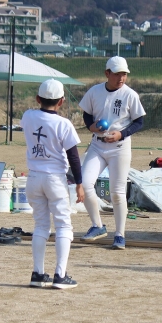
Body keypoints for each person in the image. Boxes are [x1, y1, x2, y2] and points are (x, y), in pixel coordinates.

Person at [77, 56, 146, 250]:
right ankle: (97, 226)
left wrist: (121, 134)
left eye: (124, 74)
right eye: (117, 74)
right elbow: (87, 113)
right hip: (97, 146)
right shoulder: (95, 91)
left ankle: (120, 235)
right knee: (85, 184)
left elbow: (139, 121)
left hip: (119, 148)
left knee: (117, 192)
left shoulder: (130, 94)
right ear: (107, 73)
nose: (121, 78)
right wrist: (91, 126)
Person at [20, 79, 83, 289]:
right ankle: (60, 275)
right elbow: (73, 157)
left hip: (33, 177)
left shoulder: (28, 116)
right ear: (62, 101)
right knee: (63, 225)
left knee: (40, 225)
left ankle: (38, 274)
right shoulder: (64, 124)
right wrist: (79, 183)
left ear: (38, 98)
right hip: (55, 178)